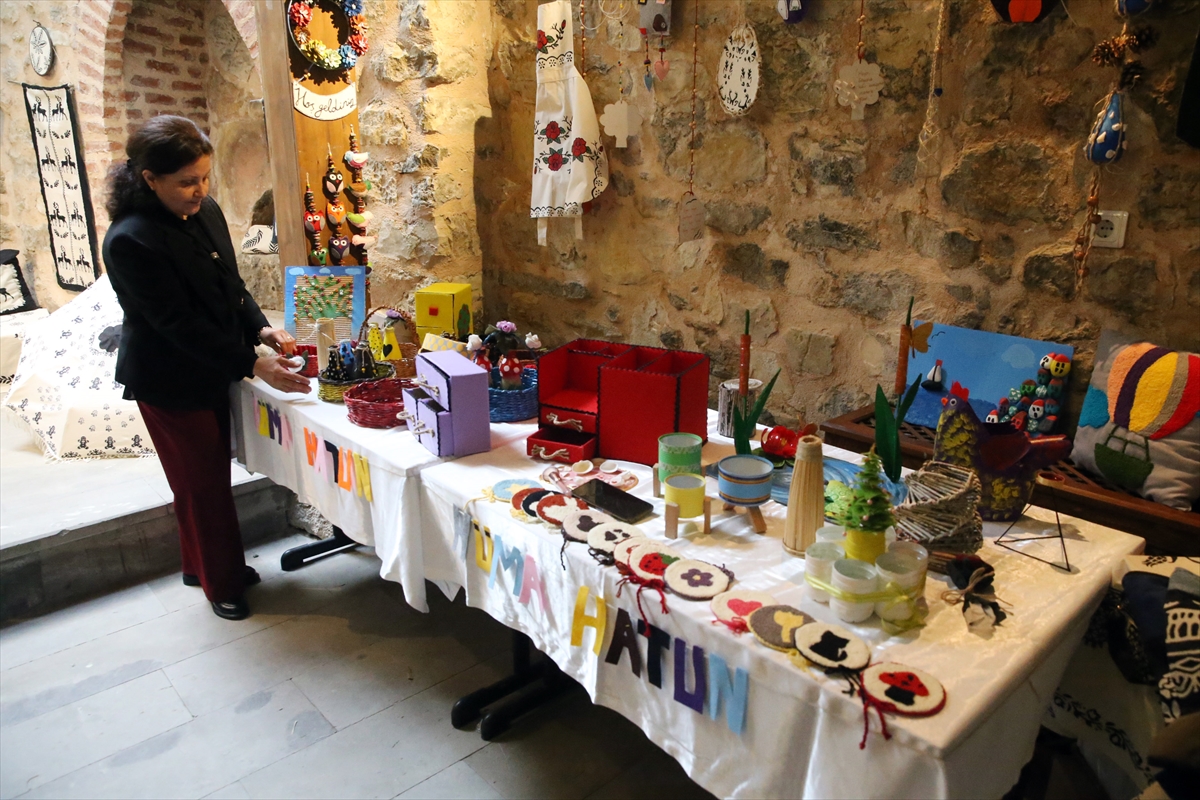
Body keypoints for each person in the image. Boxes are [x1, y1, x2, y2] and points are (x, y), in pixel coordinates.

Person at [102, 115, 310, 620]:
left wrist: (261, 327)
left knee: (203, 479)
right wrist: (252, 365)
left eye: (204, 178)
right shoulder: (130, 240)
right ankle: (222, 583)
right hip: (168, 377)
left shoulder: (204, 210)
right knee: (201, 485)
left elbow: (229, 283)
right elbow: (178, 324)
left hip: (210, 364)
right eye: (186, 182)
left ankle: (199, 565)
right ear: (149, 179)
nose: (200, 191)